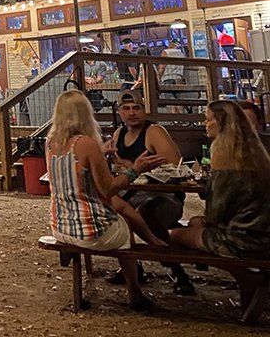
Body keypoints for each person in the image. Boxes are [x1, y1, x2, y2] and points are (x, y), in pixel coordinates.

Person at [46, 89, 165, 311]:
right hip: (88, 231)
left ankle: (150, 243)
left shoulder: (51, 142)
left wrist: (100, 155)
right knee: (123, 224)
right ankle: (134, 291)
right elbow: (108, 188)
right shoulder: (87, 144)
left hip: (60, 225)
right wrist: (135, 170)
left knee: (117, 207)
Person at [104, 91, 194, 295]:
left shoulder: (154, 132)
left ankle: (177, 270)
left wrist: (132, 167)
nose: (131, 113)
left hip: (164, 195)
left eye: (137, 108)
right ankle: (132, 266)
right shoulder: (119, 134)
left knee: (146, 213)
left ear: (144, 110)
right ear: (119, 112)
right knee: (114, 209)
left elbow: (176, 167)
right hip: (134, 193)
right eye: (126, 109)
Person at [171, 102, 270, 280]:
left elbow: (215, 215)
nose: (205, 124)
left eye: (208, 120)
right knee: (194, 222)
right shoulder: (257, 154)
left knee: (176, 234)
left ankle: (244, 278)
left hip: (242, 240)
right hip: (262, 233)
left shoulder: (224, 159)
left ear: (221, 124)